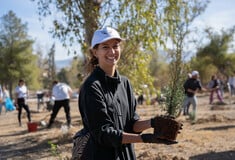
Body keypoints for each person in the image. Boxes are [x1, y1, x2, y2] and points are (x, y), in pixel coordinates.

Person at [77, 27, 179, 160]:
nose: (112, 51)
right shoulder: (91, 87)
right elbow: (104, 134)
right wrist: (144, 139)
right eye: (105, 47)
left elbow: (132, 125)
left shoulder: (125, 83)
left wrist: (153, 123)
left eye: (115, 46)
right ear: (95, 52)